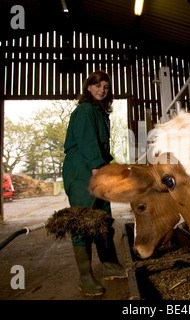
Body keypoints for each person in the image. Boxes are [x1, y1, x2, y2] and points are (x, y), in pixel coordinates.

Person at [62, 70, 126, 296]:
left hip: (95, 165)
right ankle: (85, 277)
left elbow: (101, 148)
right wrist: (98, 168)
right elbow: (88, 142)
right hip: (81, 167)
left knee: (103, 216)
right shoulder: (85, 110)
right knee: (84, 220)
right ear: (88, 88)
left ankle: (109, 265)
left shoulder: (100, 112)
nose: (101, 90)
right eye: (97, 85)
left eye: (106, 87)